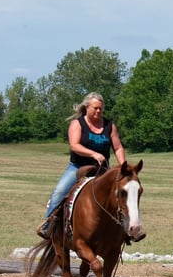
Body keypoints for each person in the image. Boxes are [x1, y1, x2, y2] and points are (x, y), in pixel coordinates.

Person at [36, 92, 143, 241]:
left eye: (101, 108)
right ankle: (48, 226)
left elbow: (118, 148)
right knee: (59, 192)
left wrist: (123, 166)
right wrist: (93, 154)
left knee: (121, 197)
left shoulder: (109, 126)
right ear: (86, 107)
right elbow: (74, 145)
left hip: (102, 170)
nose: (98, 111)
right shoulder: (77, 124)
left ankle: (127, 231)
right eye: (95, 108)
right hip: (78, 167)